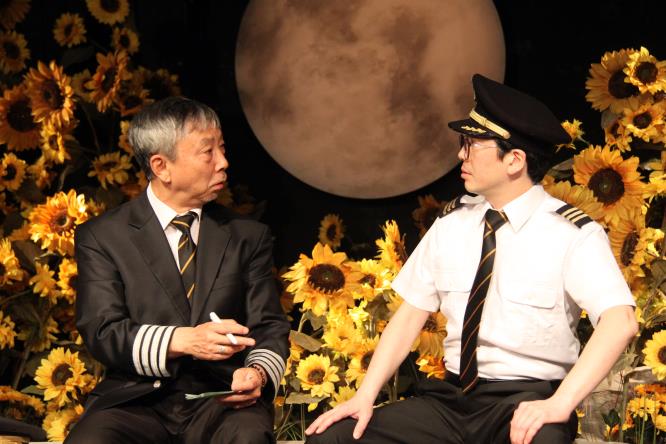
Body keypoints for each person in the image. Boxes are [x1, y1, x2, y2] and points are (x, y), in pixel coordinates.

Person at [305, 74, 638, 444]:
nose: (460, 155)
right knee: (333, 438)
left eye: (472, 145)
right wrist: (364, 396)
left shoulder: (571, 234)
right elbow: (411, 314)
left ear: (514, 160)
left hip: (525, 402)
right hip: (451, 403)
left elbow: (620, 322)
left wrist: (559, 404)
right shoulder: (452, 223)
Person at [66, 96, 290, 444]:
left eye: (222, 148)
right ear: (161, 167)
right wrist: (182, 340)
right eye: (208, 152)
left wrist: (257, 373)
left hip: (222, 398)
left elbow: (269, 326)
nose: (224, 163)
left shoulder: (247, 236)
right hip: (135, 399)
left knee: (248, 436)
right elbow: (103, 330)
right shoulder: (103, 236)